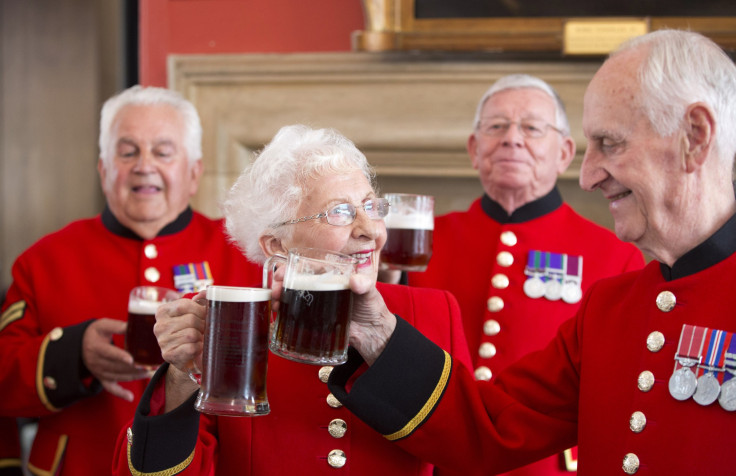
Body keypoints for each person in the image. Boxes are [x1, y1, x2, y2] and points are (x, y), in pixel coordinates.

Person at [327, 29, 736, 475]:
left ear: (695, 136)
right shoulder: (609, 308)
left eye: (610, 143)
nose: (587, 176)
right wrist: (377, 332)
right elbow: (491, 424)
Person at [114, 125, 473, 475]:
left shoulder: (435, 311)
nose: (370, 230)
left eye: (371, 206)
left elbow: (469, 454)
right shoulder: (226, 323)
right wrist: (182, 375)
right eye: (341, 212)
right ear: (277, 245)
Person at [0, 86, 262, 476]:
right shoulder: (43, 260)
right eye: (128, 152)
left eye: (162, 152)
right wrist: (73, 355)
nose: (144, 165)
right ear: (104, 170)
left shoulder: (245, 256)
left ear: (193, 172)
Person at [402, 74, 645, 475]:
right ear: (474, 149)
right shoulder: (422, 241)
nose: (512, 139)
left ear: (565, 152)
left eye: (532, 128)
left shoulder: (616, 256)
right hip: (432, 456)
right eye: (495, 126)